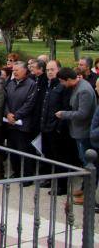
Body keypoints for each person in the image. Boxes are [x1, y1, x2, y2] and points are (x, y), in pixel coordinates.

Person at [40, 59, 73, 195]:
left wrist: (58, 128)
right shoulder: (49, 85)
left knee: (60, 158)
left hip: (56, 128)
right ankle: (49, 179)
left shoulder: (63, 86)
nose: (49, 72)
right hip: (45, 126)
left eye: (52, 69)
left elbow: (65, 108)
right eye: (47, 70)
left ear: (59, 70)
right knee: (48, 155)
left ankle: (61, 186)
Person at [56, 67, 97, 168]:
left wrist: (64, 114)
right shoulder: (77, 86)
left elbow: (83, 114)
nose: (61, 84)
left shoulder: (84, 90)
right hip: (78, 131)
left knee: (86, 160)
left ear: (69, 79)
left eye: (62, 81)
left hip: (83, 132)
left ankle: (89, 182)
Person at [4, 60, 38, 181]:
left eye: (17, 70)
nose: (14, 72)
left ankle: (27, 175)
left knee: (23, 150)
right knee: (12, 149)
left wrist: (16, 116)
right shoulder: (10, 83)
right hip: (9, 122)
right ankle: (16, 172)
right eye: (13, 70)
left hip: (23, 123)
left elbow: (30, 104)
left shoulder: (31, 84)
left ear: (25, 71)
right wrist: (7, 113)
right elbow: (5, 100)